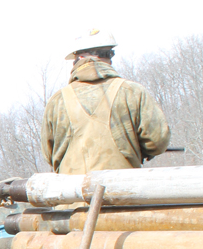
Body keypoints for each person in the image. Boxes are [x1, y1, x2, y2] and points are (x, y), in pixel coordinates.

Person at [42, 30, 170, 174]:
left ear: (79, 59)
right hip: (123, 190)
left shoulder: (57, 100)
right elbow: (157, 142)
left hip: (72, 194)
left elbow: (49, 154)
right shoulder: (132, 91)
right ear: (108, 57)